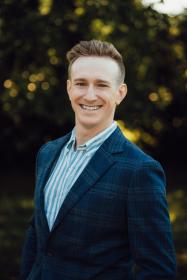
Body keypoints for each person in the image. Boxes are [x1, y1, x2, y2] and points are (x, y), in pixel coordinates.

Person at [20, 39, 176, 280]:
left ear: (120, 93)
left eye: (102, 85)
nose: (90, 95)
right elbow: (37, 235)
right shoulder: (47, 153)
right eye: (81, 84)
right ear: (69, 88)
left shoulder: (140, 171)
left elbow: (158, 270)